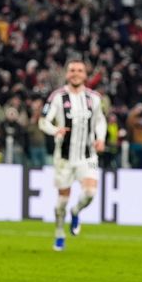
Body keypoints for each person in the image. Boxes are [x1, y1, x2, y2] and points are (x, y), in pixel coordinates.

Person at [39, 58, 106, 252]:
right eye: (72, 70)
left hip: (89, 156)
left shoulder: (94, 98)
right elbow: (43, 121)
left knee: (90, 193)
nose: (76, 74)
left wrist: (101, 138)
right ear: (67, 74)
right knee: (62, 202)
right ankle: (59, 233)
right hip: (64, 158)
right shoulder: (57, 97)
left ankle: (76, 212)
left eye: (79, 70)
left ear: (85, 75)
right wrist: (55, 130)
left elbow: (100, 121)